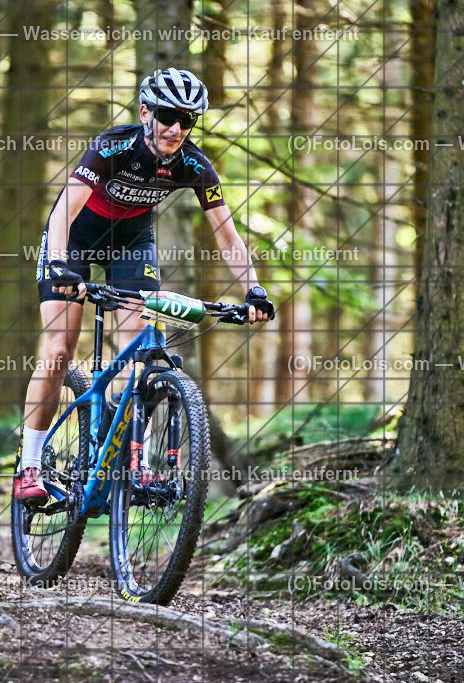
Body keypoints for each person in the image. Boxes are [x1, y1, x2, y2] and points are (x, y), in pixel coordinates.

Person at [15, 67, 274, 502]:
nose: (176, 128)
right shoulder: (112, 146)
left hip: (130, 243)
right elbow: (64, 211)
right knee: (60, 349)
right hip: (75, 237)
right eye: (168, 115)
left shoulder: (193, 164)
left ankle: (123, 451)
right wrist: (59, 266)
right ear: (145, 111)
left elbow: (226, 235)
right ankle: (30, 463)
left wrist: (254, 291)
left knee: (138, 348)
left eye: (187, 120)